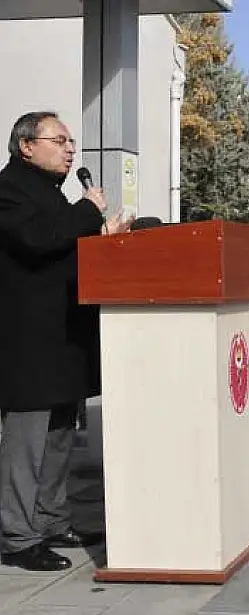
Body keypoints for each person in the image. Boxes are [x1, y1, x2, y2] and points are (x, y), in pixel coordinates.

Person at [0, 111, 131, 571]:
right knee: (27, 444)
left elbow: (66, 249)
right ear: (27, 146)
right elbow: (39, 241)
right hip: (28, 343)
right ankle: (18, 536)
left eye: (71, 140)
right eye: (60, 139)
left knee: (59, 439)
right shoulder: (9, 191)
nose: (70, 147)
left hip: (63, 338)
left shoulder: (53, 194)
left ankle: (52, 520)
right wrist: (88, 211)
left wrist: (105, 239)